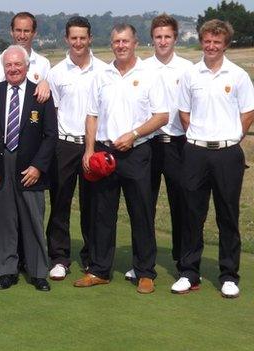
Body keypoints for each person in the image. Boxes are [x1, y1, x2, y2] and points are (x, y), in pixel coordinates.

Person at [73, 23, 168, 294]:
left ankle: (145, 272)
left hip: (137, 152)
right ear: (111, 43)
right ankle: (100, 270)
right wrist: (89, 150)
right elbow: (92, 114)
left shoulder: (149, 75)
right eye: (116, 42)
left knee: (141, 213)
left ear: (135, 42)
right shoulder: (102, 75)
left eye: (125, 41)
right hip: (105, 153)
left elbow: (162, 116)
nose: (121, 45)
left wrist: (134, 134)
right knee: (102, 214)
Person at [175, 19, 254, 298]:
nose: (210, 46)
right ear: (202, 41)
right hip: (195, 151)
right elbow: (184, 114)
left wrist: (230, 138)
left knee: (228, 216)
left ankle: (229, 275)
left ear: (225, 44)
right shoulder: (191, 74)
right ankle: (188, 272)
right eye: (207, 41)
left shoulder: (238, 76)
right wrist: (201, 137)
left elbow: (247, 113)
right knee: (192, 214)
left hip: (227, 153)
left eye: (216, 42)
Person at [121, 14, 193, 281]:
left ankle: (185, 265)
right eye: (158, 36)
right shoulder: (142, 68)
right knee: (143, 207)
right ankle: (142, 264)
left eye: (167, 36)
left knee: (181, 206)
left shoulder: (188, 68)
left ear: (175, 38)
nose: (162, 41)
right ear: (151, 39)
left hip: (178, 144)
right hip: (147, 145)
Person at [0, 45, 57, 291]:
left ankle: (38, 273)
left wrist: (38, 166)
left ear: (27, 67)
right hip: (0, 166)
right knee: (3, 220)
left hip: (30, 168)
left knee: (33, 219)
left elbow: (50, 136)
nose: (13, 69)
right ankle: (6, 271)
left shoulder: (41, 94)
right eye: (9, 65)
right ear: (4, 68)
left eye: (18, 64)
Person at [45, 16, 107, 280]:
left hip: (95, 145)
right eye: (74, 38)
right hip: (65, 144)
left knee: (93, 205)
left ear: (90, 38)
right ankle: (59, 257)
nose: (78, 42)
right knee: (60, 202)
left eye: (83, 37)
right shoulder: (56, 72)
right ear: (67, 39)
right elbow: (53, 112)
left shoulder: (105, 70)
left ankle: (92, 257)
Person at [0, 12, 51, 85]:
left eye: (26, 31)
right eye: (18, 30)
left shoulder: (43, 64)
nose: (22, 36)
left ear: (34, 33)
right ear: (12, 32)